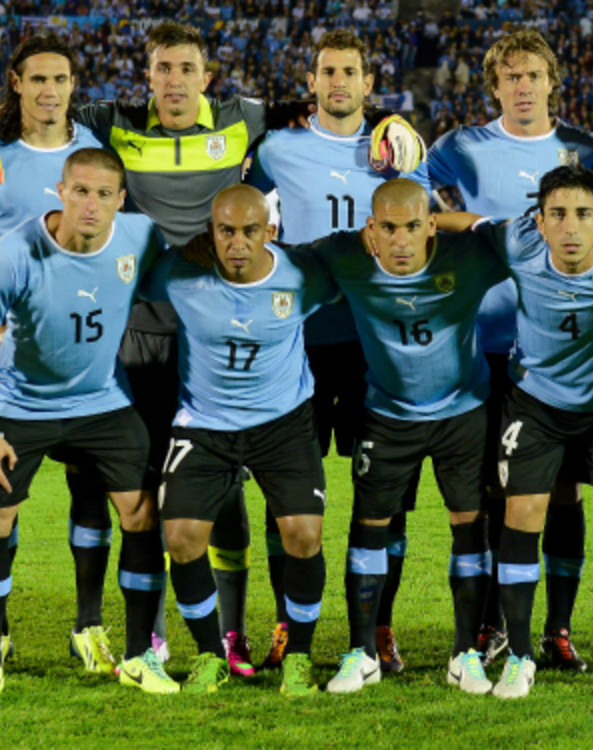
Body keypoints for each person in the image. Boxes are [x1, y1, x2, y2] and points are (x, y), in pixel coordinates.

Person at [0, 20, 424, 676]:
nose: (174, 81)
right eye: (162, 68)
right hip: (138, 336)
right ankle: (154, 637)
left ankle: (233, 632)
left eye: (186, 69)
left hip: (215, 331)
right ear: (148, 76)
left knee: (224, 488)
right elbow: (39, 109)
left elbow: (314, 108)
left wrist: (384, 121)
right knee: (146, 494)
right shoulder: (114, 119)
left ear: (209, 77)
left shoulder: (240, 119)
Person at [0, 149, 174, 705]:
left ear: (121, 200)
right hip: (21, 404)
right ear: (60, 191)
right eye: (80, 191)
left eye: (104, 194)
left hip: (102, 402)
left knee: (142, 513)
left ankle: (141, 655)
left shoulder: (141, 236)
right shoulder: (13, 253)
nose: (91, 204)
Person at [246, 29, 432, 674]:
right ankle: (283, 622)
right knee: (287, 495)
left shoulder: (397, 149)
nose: (338, 82)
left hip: (378, 345)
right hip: (300, 344)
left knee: (385, 498)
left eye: (349, 72)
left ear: (368, 84)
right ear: (314, 82)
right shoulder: (279, 148)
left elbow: (425, 218)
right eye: (327, 71)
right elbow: (245, 203)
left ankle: (378, 629)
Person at [426, 28, 593, 671]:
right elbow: (415, 206)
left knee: (561, 490)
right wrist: (476, 227)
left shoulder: (585, 148)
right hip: (482, 341)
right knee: (483, 489)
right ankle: (484, 625)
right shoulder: (462, 146)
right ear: (495, 84)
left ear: (551, 81)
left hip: (558, 350)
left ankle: (555, 628)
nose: (523, 86)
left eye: (533, 75)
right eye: (510, 76)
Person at [0, 33, 115, 675]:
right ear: (16, 83)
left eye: (60, 80)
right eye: (36, 79)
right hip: (11, 361)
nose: (49, 91)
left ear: (74, 86)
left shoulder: (98, 153)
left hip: (89, 355)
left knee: (92, 493)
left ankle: (89, 625)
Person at [310, 179, 504, 695]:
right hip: (387, 415)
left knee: (469, 526)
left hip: (463, 413)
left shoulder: (470, 256)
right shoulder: (342, 255)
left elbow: (535, 244)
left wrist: (477, 220)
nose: (400, 240)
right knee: (368, 527)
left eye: (413, 227)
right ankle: (363, 652)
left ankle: (466, 654)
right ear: (369, 230)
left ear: (431, 226)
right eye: (388, 228)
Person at [144, 185, 334, 697]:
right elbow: (114, 278)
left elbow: (364, 271)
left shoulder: (303, 274)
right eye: (226, 231)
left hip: (284, 423)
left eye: (251, 231)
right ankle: (210, 654)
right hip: (204, 425)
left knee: (303, 536)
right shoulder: (179, 275)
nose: (237, 243)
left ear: (270, 232)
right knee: (181, 540)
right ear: (211, 231)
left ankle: (298, 656)